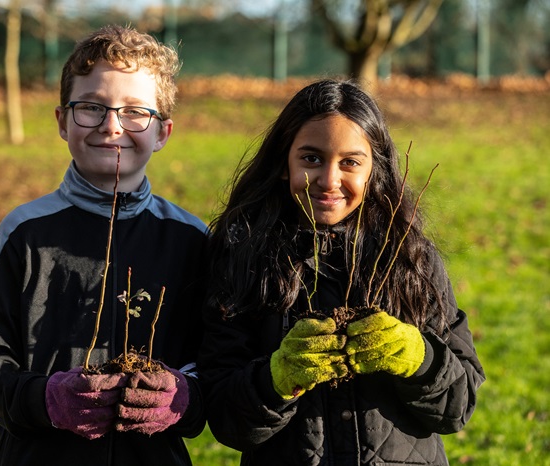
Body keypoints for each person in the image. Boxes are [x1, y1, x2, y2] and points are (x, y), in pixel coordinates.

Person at [197, 79, 485, 465]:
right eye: (311, 158)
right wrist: (277, 378)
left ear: (373, 171)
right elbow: (226, 420)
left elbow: (459, 405)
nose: (329, 180)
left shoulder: (410, 259)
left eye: (350, 162)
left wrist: (417, 356)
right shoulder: (243, 259)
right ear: (284, 163)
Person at [0, 25, 208, 465]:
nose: (112, 127)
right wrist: (47, 399)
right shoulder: (24, 233)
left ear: (163, 132)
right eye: (91, 107)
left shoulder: (192, 241)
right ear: (62, 121)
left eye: (135, 112)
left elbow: (219, 366)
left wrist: (184, 396)